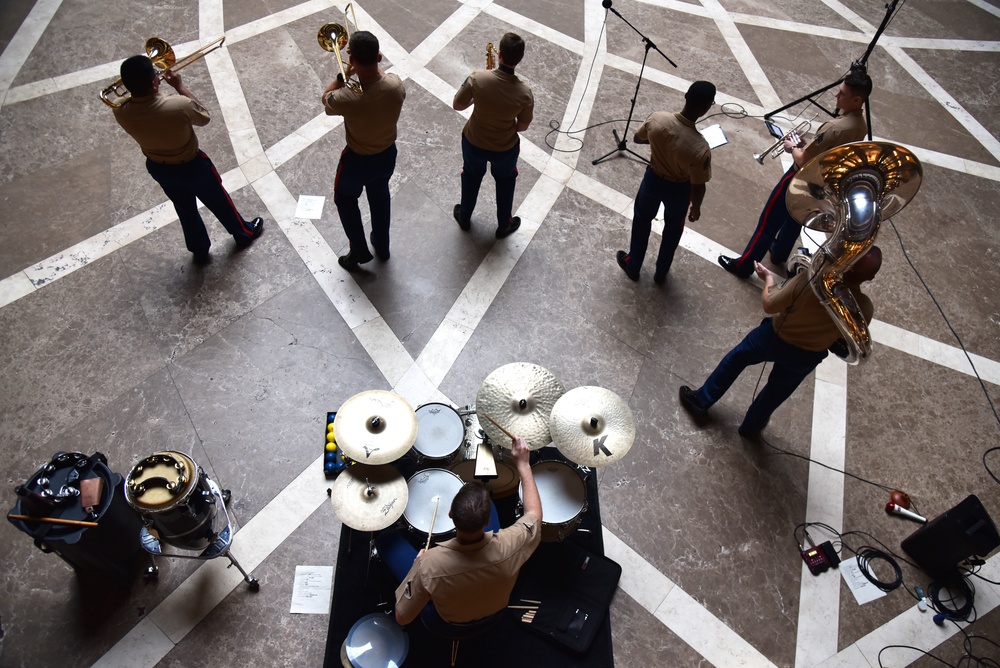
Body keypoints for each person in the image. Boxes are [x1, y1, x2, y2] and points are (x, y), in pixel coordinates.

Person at [680, 247, 882, 437]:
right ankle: (751, 427)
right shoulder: (865, 308)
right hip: (808, 356)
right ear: (871, 277)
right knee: (776, 393)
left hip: (774, 337)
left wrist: (768, 278)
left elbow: (770, 303)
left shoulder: (810, 281)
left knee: (736, 359)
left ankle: (702, 399)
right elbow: (844, 339)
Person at [718, 72, 872, 278]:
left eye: (842, 93)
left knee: (768, 223)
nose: (836, 96)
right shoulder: (861, 126)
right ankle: (780, 252)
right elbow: (826, 152)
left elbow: (802, 160)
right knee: (796, 218)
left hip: (799, 178)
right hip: (822, 182)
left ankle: (744, 265)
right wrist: (808, 145)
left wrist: (792, 147)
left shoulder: (834, 127)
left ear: (857, 99)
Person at [113, 56, 264, 264]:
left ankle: (199, 248)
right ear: (153, 82)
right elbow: (204, 116)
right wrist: (179, 85)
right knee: (219, 201)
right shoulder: (178, 105)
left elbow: (132, 99)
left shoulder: (120, 111)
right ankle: (243, 233)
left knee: (184, 209)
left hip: (159, 168)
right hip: (192, 166)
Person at [384, 435, 542, 630]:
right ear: (486, 522)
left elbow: (402, 618)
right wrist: (524, 465)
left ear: (450, 515)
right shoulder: (512, 543)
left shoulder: (428, 565)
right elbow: (534, 514)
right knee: (489, 503)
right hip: (496, 610)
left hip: (446, 621)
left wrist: (416, 567)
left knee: (387, 540)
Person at [322, 30, 406, 270]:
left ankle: (358, 250)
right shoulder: (396, 84)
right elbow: (378, 79)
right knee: (380, 197)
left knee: (345, 199)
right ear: (379, 57)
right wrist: (364, 67)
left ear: (352, 59)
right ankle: (382, 244)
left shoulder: (346, 97)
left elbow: (325, 98)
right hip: (386, 155)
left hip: (357, 161)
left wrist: (343, 75)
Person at [616, 81, 715, 283]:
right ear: (706, 108)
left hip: (653, 179)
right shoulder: (700, 147)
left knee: (642, 220)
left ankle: (633, 265)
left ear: (686, 96)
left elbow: (637, 139)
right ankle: (661, 272)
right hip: (679, 189)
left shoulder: (657, 119)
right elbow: (698, 185)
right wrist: (695, 207)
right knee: (673, 229)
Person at [452, 32, 534, 239]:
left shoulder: (477, 78)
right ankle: (504, 224)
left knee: (471, 176)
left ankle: (465, 216)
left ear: (499, 55)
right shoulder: (525, 92)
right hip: (505, 148)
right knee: (506, 182)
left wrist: (477, 101)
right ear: (520, 59)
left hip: (473, 141)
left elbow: (457, 104)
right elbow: (522, 127)